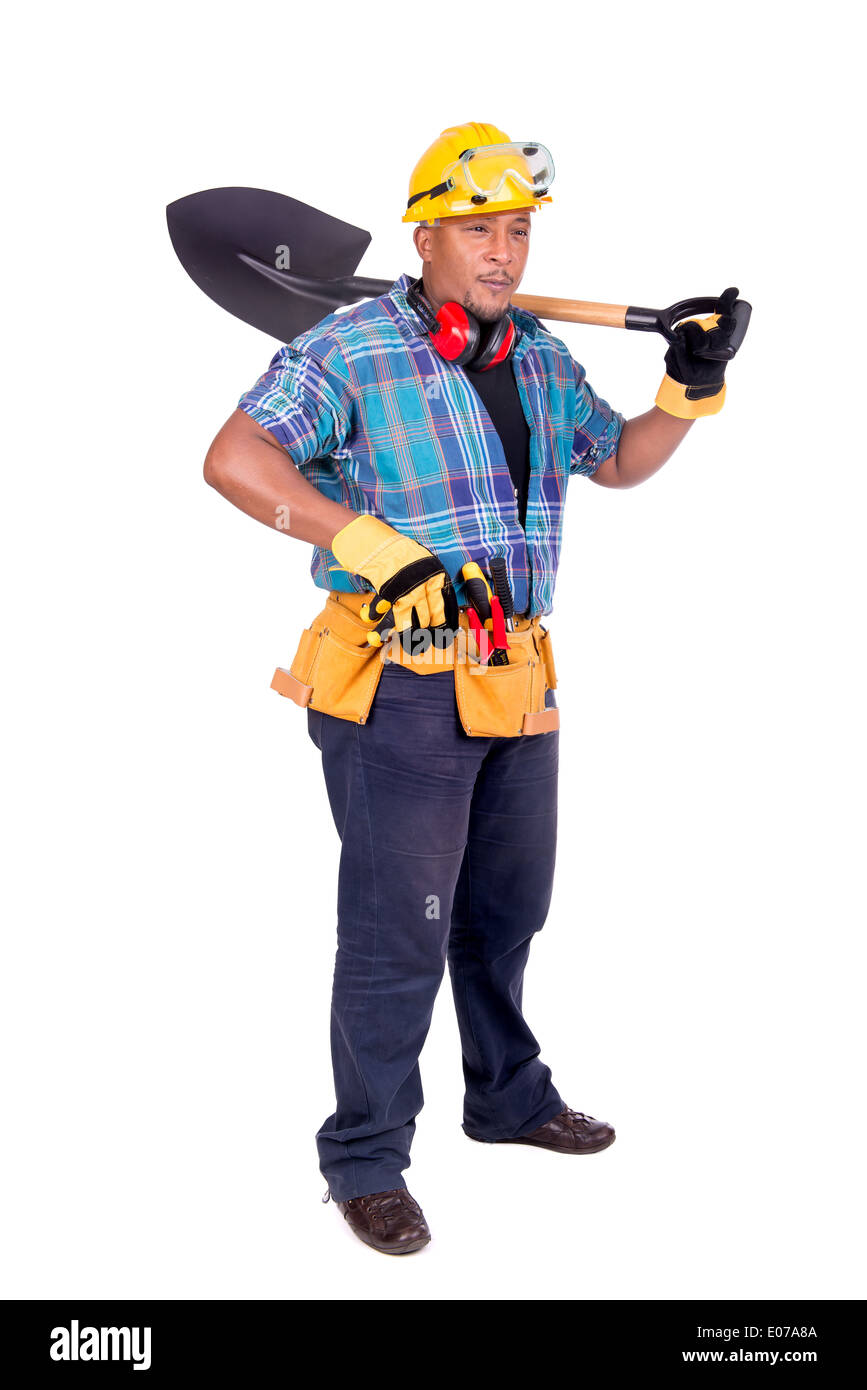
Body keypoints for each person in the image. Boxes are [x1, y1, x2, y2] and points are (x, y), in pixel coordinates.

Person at [203, 122, 741, 1256]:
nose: (504, 252)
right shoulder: (350, 349)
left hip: (517, 675)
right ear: (427, 236)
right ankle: (365, 1158)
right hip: (397, 684)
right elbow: (235, 461)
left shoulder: (539, 357)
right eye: (479, 229)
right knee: (400, 930)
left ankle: (507, 1097)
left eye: (519, 230)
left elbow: (621, 458)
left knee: (504, 916)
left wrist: (689, 388)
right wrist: (363, 537)